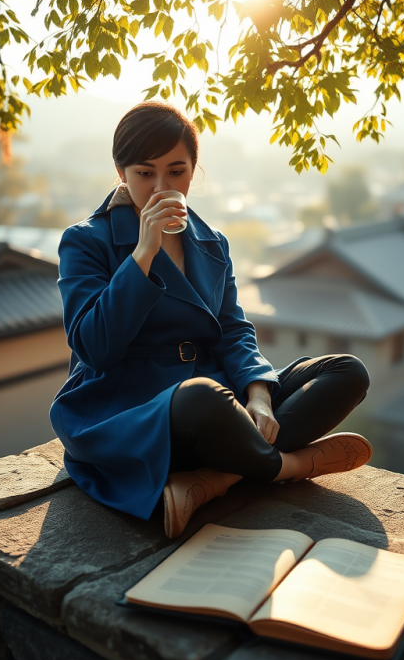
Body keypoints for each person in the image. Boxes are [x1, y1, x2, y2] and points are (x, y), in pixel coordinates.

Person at [50, 101, 372, 538]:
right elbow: (94, 347)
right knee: (202, 397)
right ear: (121, 171)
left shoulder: (211, 242)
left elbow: (233, 328)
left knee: (347, 371)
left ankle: (217, 479)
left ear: (193, 171)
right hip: (134, 407)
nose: (161, 187)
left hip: (218, 397)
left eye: (176, 172)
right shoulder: (87, 241)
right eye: (145, 173)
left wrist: (258, 395)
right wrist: (143, 253)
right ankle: (286, 466)